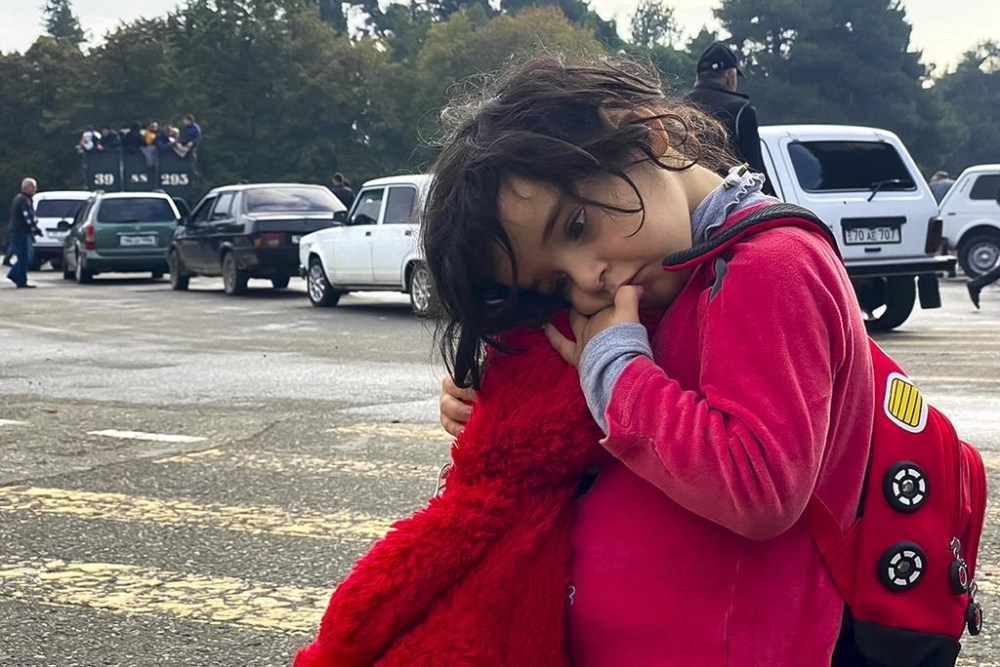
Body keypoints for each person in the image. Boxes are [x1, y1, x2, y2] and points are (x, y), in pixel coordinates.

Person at [428, 55, 873, 664]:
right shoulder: (667, 279)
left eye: (578, 224)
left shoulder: (772, 267)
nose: (589, 280)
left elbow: (760, 484)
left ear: (647, 134)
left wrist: (612, 369)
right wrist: (495, 400)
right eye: (555, 282)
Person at [685, 42, 775, 196]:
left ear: (698, 76)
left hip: (687, 201)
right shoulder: (741, 110)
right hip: (731, 202)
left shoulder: (677, 108)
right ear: (730, 76)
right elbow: (754, 169)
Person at [7, 177, 41, 288]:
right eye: (33, 187)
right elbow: (27, 217)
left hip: (18, 231)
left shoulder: (20, 198)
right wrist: (35, 229)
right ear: (26, 187)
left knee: (27, 256)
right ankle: (19, 279)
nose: (35, 189)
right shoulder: (24, 200)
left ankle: (15, 275)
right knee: (25, 257)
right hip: (21, 232)